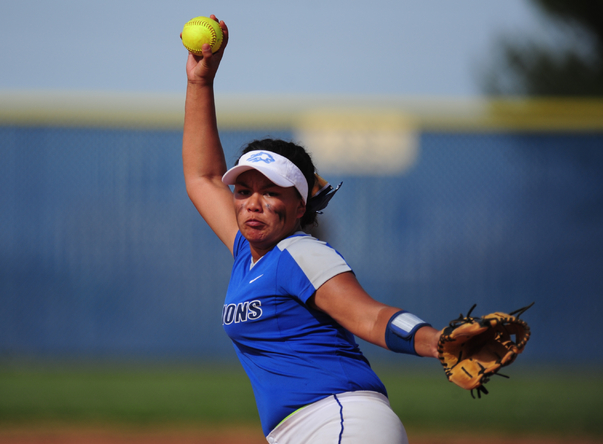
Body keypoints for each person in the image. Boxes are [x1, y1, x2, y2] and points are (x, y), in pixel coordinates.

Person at [181, 15, 443, 444]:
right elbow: (202, 178)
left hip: (341, 420)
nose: (254, 203)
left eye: (271, 193)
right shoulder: (248, 255)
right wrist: (199, 83)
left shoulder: (300, 253)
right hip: (307, 431)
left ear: (300, 205)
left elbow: (367, 314)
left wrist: (435, 341)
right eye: (244, 190)